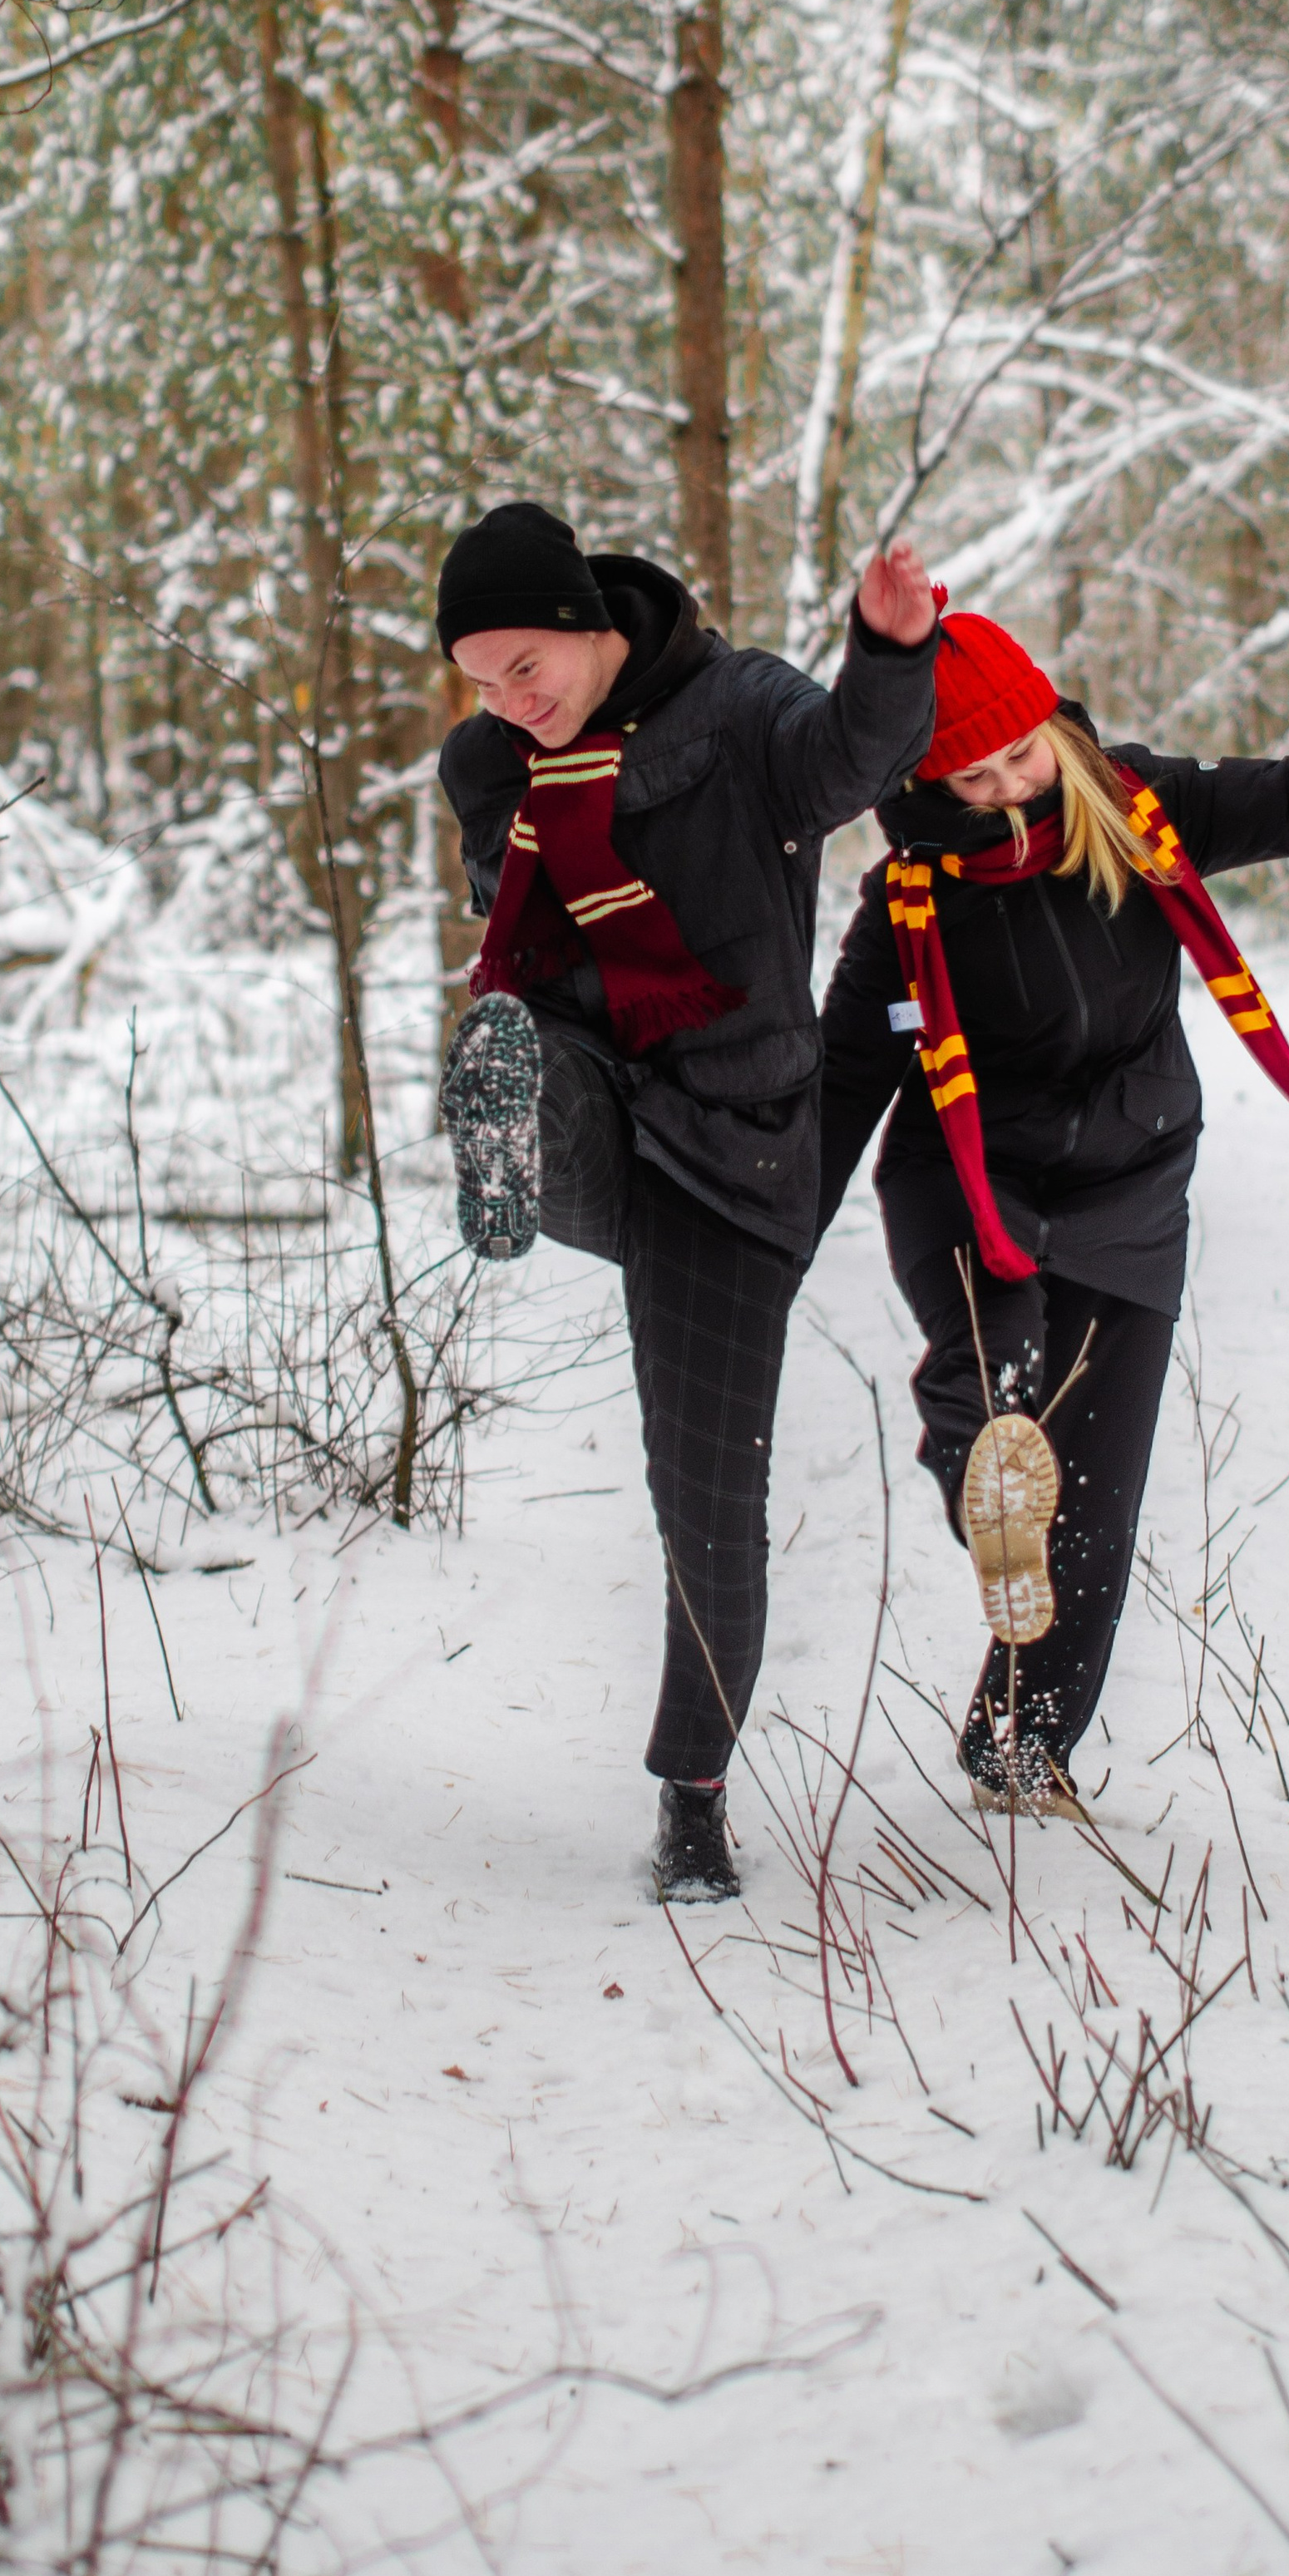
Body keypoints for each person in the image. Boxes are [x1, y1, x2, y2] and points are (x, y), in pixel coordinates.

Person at [815, 599, 1289, 1812]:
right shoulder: (909, 899)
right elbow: (840, 1088)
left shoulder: (1141, 808)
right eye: (970, 776)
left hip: (1131, 1184)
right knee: (1006, 1378)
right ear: (926, 783)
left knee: (1092, 1514)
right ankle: (983, 1463)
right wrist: (752, 1238)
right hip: (970, 1185)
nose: (1004, 789)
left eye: (1020, 755)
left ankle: (1020, 1750)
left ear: (1054, 722)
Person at [434, 500, 939, 1901]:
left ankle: (694, 1794)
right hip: (601, 1104)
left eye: (525, 665)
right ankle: (510, 1131)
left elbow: (851, 758)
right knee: (529, 1050)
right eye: (480, 680)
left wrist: (892, 655)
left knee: (703, 1494)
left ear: (595, 626)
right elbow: (514, 910)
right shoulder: (492, 763)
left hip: (733, 1148)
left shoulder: (740, 709)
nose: (507, 702)